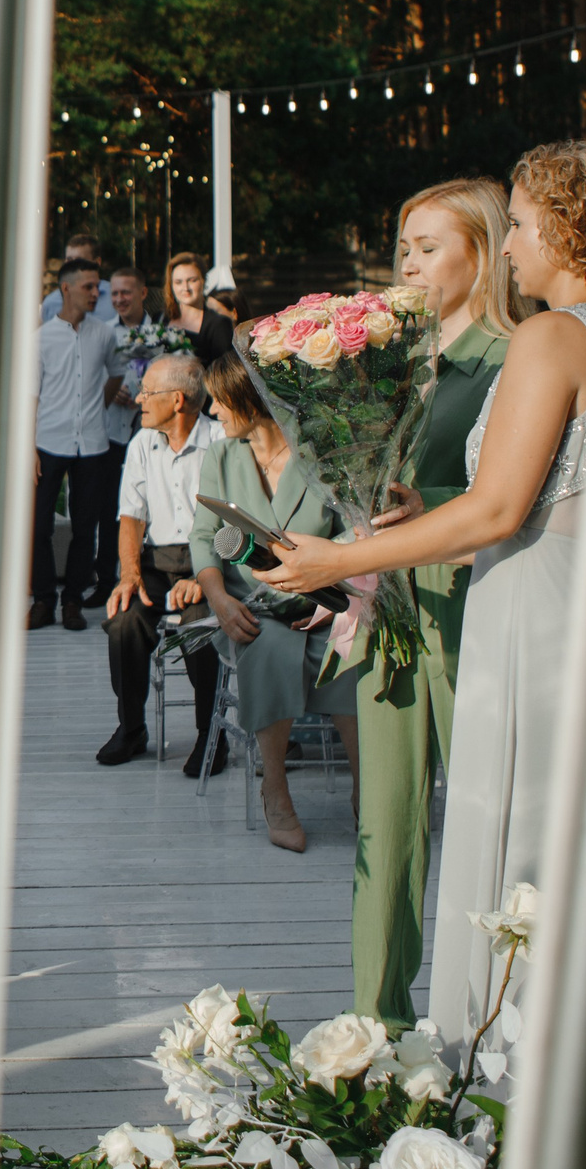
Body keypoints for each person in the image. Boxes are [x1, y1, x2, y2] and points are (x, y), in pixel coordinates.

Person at [260, 141, 586, 1050]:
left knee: (534, 852)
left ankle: (527, 1068)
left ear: (565, 228)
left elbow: (501, 509)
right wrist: (425, 516)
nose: (509, 245)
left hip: (545, 619)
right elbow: (561, 501)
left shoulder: (555, 335)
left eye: (518, 223)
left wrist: (335, 560)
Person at [350, 178, 522, 1028]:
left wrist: (433, 503)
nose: (408, 264)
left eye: (429, 247)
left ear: (484, 255)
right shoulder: (387, 359)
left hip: (470, 603)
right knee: (384, 828)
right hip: (388, 608)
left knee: (488, 820)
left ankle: (497, 1021)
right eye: (404, 248)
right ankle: (373, 1028)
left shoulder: (515, 358)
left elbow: (521, 496)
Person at [189, 352, 360, 851]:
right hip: (251, 611)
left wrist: (330, 585)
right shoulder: (221, 458)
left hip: (328, 603)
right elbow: (204, 537)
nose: (212, 412)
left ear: (249, 399)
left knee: (349, 651)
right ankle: (276, 790)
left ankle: (366, 789)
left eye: (219, 401)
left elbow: (353, 530)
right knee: (272, 648)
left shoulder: (320, 451)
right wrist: (220, 600)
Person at [100, 353, 223, 770]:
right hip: (156, 560)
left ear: (177, 400)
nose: (138, 399)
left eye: (147, 392)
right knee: (124, 620)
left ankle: (211, 734)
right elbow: (131, 517)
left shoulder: (220, 441)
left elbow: (235, 520)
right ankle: (131, 727)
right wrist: (129, 575)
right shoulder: (142, 442)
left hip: (210, 558)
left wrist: (207, 577)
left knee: (200, 625)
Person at [32, 259, 123, 632]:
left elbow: (116, 374)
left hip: (93, 444)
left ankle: (73, 602)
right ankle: (43, 601)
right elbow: (29, 396)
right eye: (88, 286)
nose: (96, 293)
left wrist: (97, 409)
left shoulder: (104, 334)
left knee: (87, 527)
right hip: (47, 441)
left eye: (97, 286)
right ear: (66, 288)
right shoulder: (40, 338)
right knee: (38, 526)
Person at [161, 252, 236, 365]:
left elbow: (224, 370)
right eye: (178, 282)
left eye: (192, 280)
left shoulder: (218, 325)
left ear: (203, 281)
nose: (185, 288)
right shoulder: (161, 319)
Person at [37, 232, 117, 323]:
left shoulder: (117, 298)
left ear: (97, 262)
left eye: (79, 260)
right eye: (69, 260)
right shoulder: (51, 303)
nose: (73, 265)